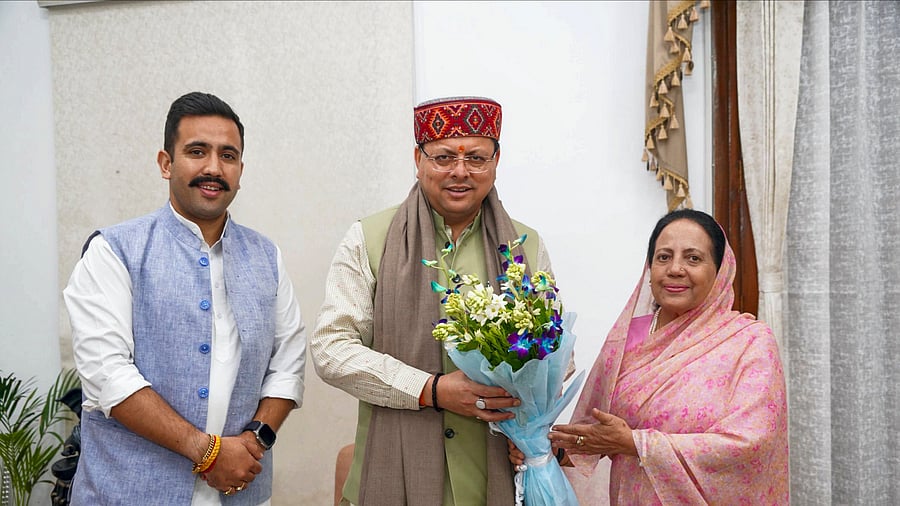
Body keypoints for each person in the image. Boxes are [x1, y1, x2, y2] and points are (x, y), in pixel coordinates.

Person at [310, 96, 559, 505]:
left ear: (496, 161)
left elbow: (554, 354)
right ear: (418, 158)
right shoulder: (369, 237)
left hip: (493, 477)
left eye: (476, 158)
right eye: (443, 157)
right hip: (392, 475)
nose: (460, 172)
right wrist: (429, 389)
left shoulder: (526, 247)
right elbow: (330, 348)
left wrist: (532, 427)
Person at [63, 92, 307, 505]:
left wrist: (256, 439)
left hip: (242, 493)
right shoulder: (114, 250)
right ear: (166, 163)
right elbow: (109, 376)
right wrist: (209, 453)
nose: (213, 168)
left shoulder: (267, 256)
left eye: (227, 155)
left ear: (240, 170)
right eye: (197, 152)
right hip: (128, 493)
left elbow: (288, 361)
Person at [512, 209, 789, 504]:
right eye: (664, 257)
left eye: (693, 258)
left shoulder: (749, 341)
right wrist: (547, 448)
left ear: (720, 271)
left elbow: (752, 443)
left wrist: (636, 443)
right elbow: (593, 443)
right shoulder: (626, 340)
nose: (676, 269)